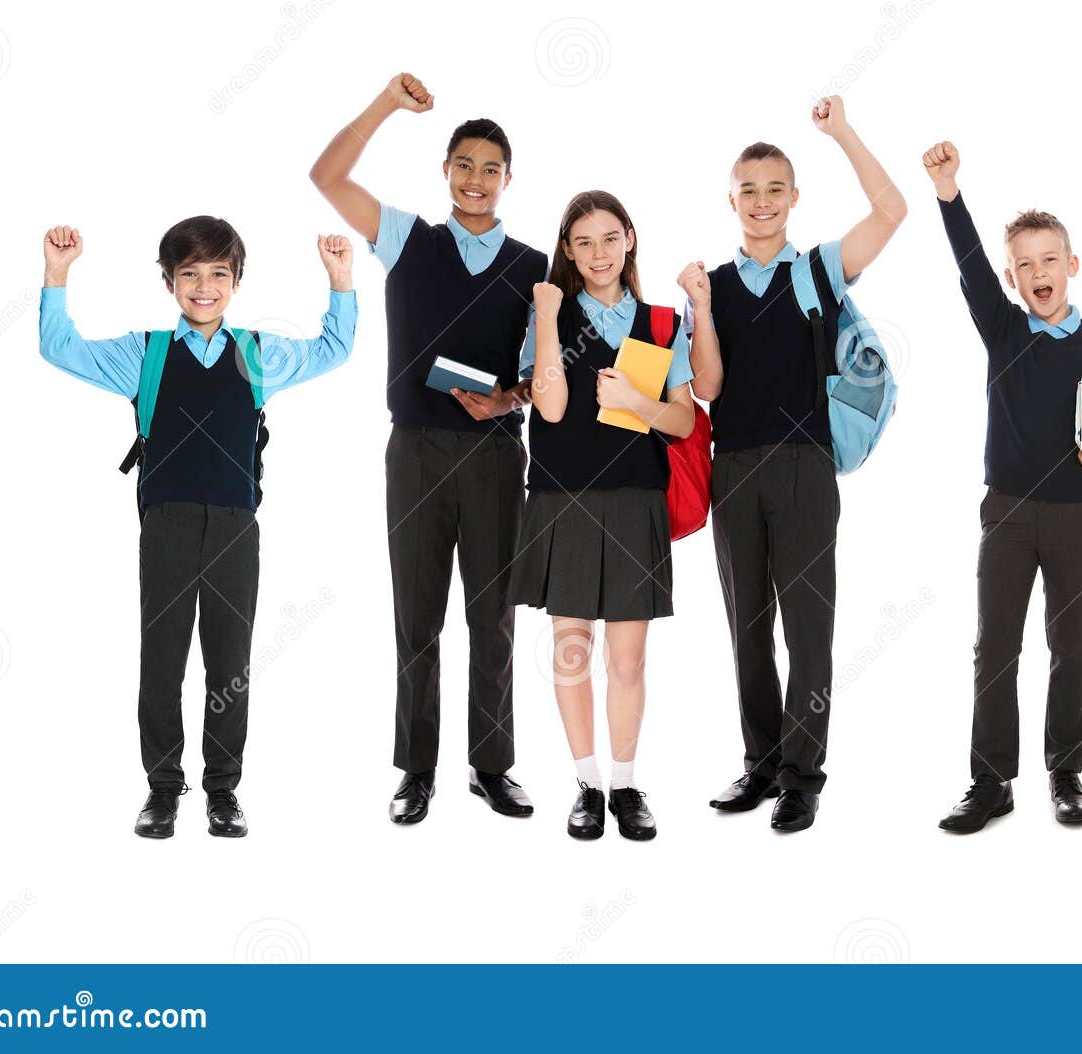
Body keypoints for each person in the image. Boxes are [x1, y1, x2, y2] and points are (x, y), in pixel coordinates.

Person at [39, 217, 356, 838]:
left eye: (217, 274)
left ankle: (222, 791)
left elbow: (333, 351)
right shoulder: (146, 354)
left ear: (236, 281)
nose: (203, 287)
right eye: (189, 274)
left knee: (229, 663)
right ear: (169, 282)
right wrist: (57, 274)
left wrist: (340, 280)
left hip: (237, 526)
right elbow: (60, 348)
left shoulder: (258, 354)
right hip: (167, 525)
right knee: (161, 661)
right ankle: (161, 789)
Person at [310, 72, 548, 825]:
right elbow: (327, 176)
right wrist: (386, 102)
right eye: (464, 165)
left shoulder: (535, 267)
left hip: (494, 454)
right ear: (445, 170)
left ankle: (491, 764)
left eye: (491, 169)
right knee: (417, 617)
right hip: (414, 451)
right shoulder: (407, 239)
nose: (477, 180)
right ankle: (416, 769)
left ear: (510, 180)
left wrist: (505, 398)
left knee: (494, 618)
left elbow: (541, 376)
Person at [679, 95, 906, 832]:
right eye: (749, 189)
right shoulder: (709, 287)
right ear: (731, 200)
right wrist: (701, 310)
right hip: (733, 468)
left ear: (794, 198)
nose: (763, 201)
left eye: (776, 188)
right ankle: (762, 764)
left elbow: (891, 211)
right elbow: (706, 389)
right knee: (747, 625)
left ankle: (804, 776)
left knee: (808, 628)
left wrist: (842, 132)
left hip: (805, 467)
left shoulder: (818, 272)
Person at [922, 141, 1082, 834]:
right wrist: (949, 190)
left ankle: (1066, 773)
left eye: (1049, 259)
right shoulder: (1003, 328)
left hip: (1078, 514)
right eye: (1024, 265)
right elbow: (967, 266)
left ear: (1071, 266)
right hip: (1009, 513)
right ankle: (990, 781)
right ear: (1012, 278)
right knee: (996, 647)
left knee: (1070, 642)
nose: (1037, 272)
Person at [511, 191, 696, 841]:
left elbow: (681, 420)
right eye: (583, 242)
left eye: (609, 239)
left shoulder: (662, 323)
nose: (598, 254)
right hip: (562, 498)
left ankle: (624, 784)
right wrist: (545, 312)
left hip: (634, 499)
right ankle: (587, 783)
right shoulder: (551, 316)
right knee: (570, 651)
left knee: (627, 661)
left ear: (631, 240)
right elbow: (552, 410)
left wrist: (637, 402)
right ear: (567, 250)